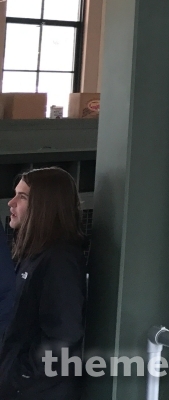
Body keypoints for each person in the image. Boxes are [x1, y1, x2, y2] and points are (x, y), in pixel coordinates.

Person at [0, 168, 86, 400]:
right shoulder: (35, 255)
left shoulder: (60, 261)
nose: (11, 203)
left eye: (22, 197)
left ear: (45, 206)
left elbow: (64, 336)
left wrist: (20, 376)